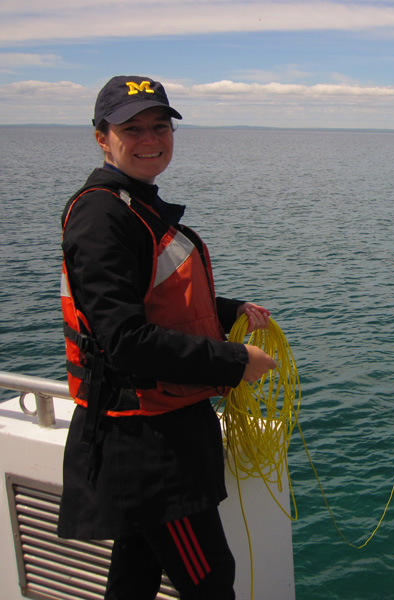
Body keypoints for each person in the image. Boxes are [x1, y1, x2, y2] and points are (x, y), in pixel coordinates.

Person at [57, 75, 276, 600]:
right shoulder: (102, 215)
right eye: (132, 128)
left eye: (160, 126)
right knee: (209, 579)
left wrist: (227, 312)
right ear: (101, 137)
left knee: (132, 579)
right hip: (148, 442)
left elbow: (152, 298)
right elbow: (123, 339)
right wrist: (231, 362)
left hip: (157, 425)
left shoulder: (135, 205)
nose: (151, 139)